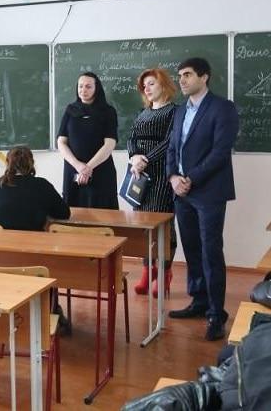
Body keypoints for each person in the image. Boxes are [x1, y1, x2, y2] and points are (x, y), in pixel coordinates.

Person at [166, 57, 239, 341]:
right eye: (180, 75)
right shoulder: (180, 111)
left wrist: (190, 179)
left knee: (211, 252)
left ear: (204, 77)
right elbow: (172, 148)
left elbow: (220, 152)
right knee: (192, 250)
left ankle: (216, 314)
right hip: (182, 193)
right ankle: (199, 301)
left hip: (208, 192)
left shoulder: (223, 108)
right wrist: (173, 177)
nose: (181, 80)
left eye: (187, 74)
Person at [127, 68, 179, 297]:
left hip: (161, 174)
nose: (146, 89)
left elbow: (170, 142)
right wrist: (134, 158)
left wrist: (146, 159)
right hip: (140, 175)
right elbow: (131, 138)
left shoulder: (175, 111)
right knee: (143, 227)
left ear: (164, 85)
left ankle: (165, 272)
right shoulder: (142, 112)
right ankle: (148, 272)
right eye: (144, 86)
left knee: (163, 227)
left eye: (151, 84)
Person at [57, 72, 119, 210]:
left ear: (96, 88)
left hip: (100, 171)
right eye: (80, 86)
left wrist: (88, 168)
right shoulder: (70, 110)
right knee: (73, 214)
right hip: (73, 171)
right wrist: (79, 166)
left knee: (102, 213)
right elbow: (61, 142)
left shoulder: (108, 111)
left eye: (88, 86)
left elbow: (110, 144)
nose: (83, 90)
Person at [0, 146, 70, 230]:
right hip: (34, 238)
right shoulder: (42, 184)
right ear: (32, 163)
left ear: (7, 162)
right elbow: (64, 214)